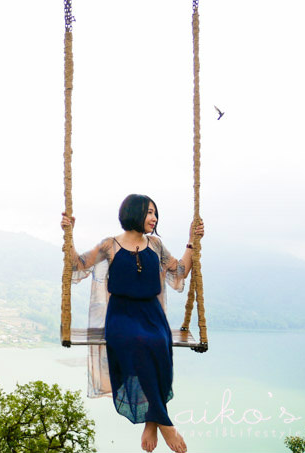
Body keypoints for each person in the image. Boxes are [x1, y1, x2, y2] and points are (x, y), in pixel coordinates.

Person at [60, 194, 204, 453]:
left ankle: (152, 419)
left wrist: (193, 243)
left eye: (155, 213)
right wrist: (69, 234)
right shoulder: (109, 245)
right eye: (149, 212)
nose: (154, 218)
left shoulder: (156, 245)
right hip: (122, 315)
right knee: (139, 342)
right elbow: (77, 265)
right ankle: (164, 421)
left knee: (160, 343)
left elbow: (180, 271)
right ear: (134, 213)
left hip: (151, 313)